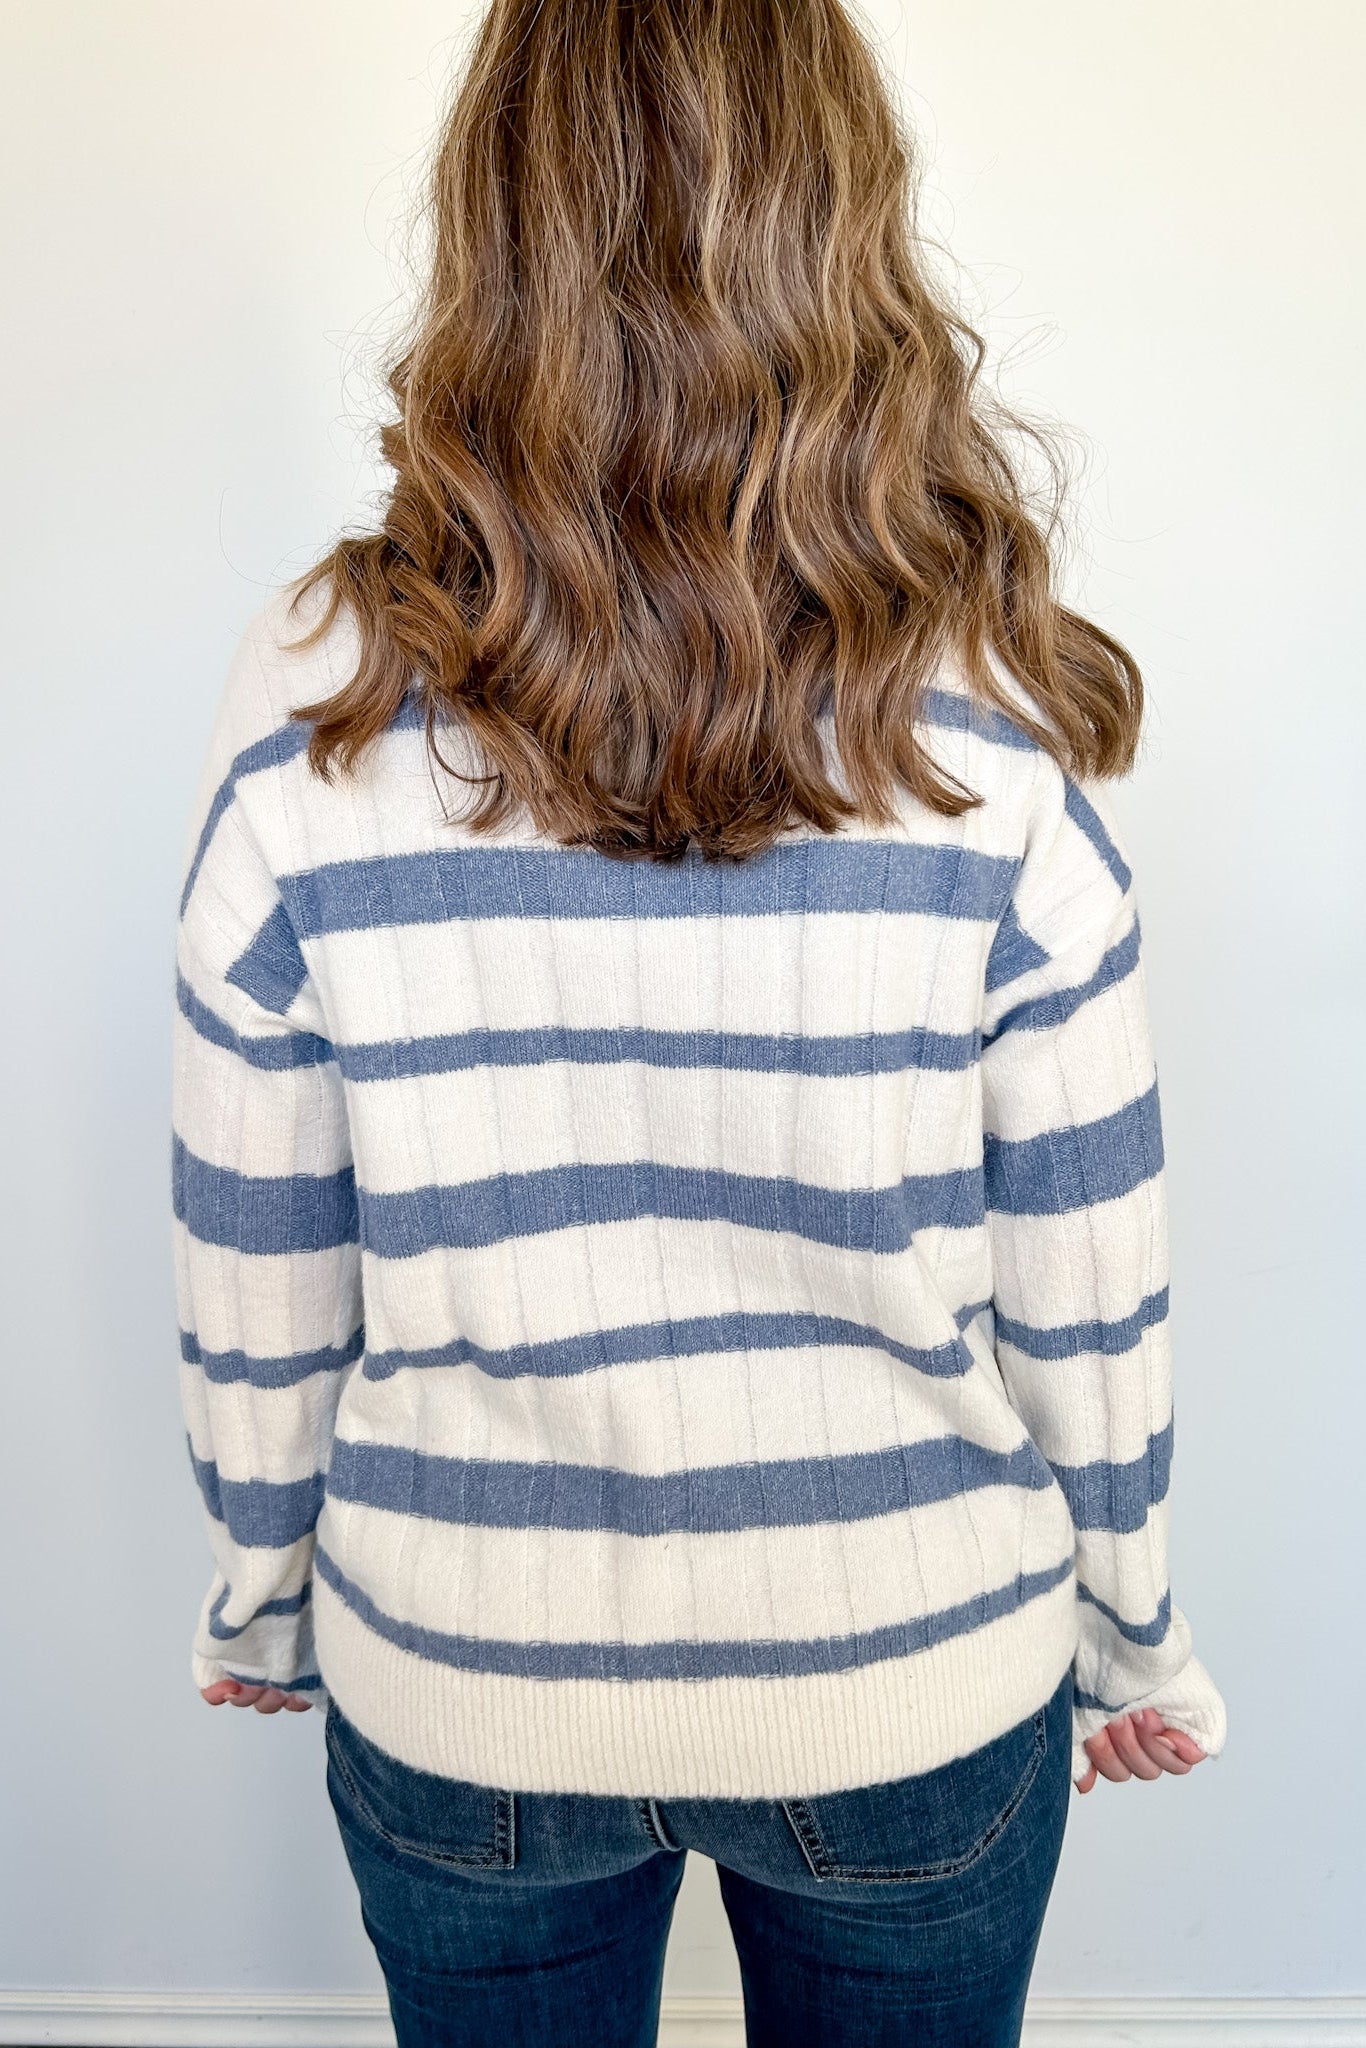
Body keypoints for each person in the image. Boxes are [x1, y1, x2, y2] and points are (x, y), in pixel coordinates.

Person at [169, 1, 1228, 2041]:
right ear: (844, 221)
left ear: (494, 220)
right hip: (905, 1678)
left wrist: (264, 1581)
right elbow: (1086, 1263)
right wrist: (1132, 1623)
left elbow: (255, 1232)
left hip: (464, 1680)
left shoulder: (319, 673)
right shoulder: (981, 692)